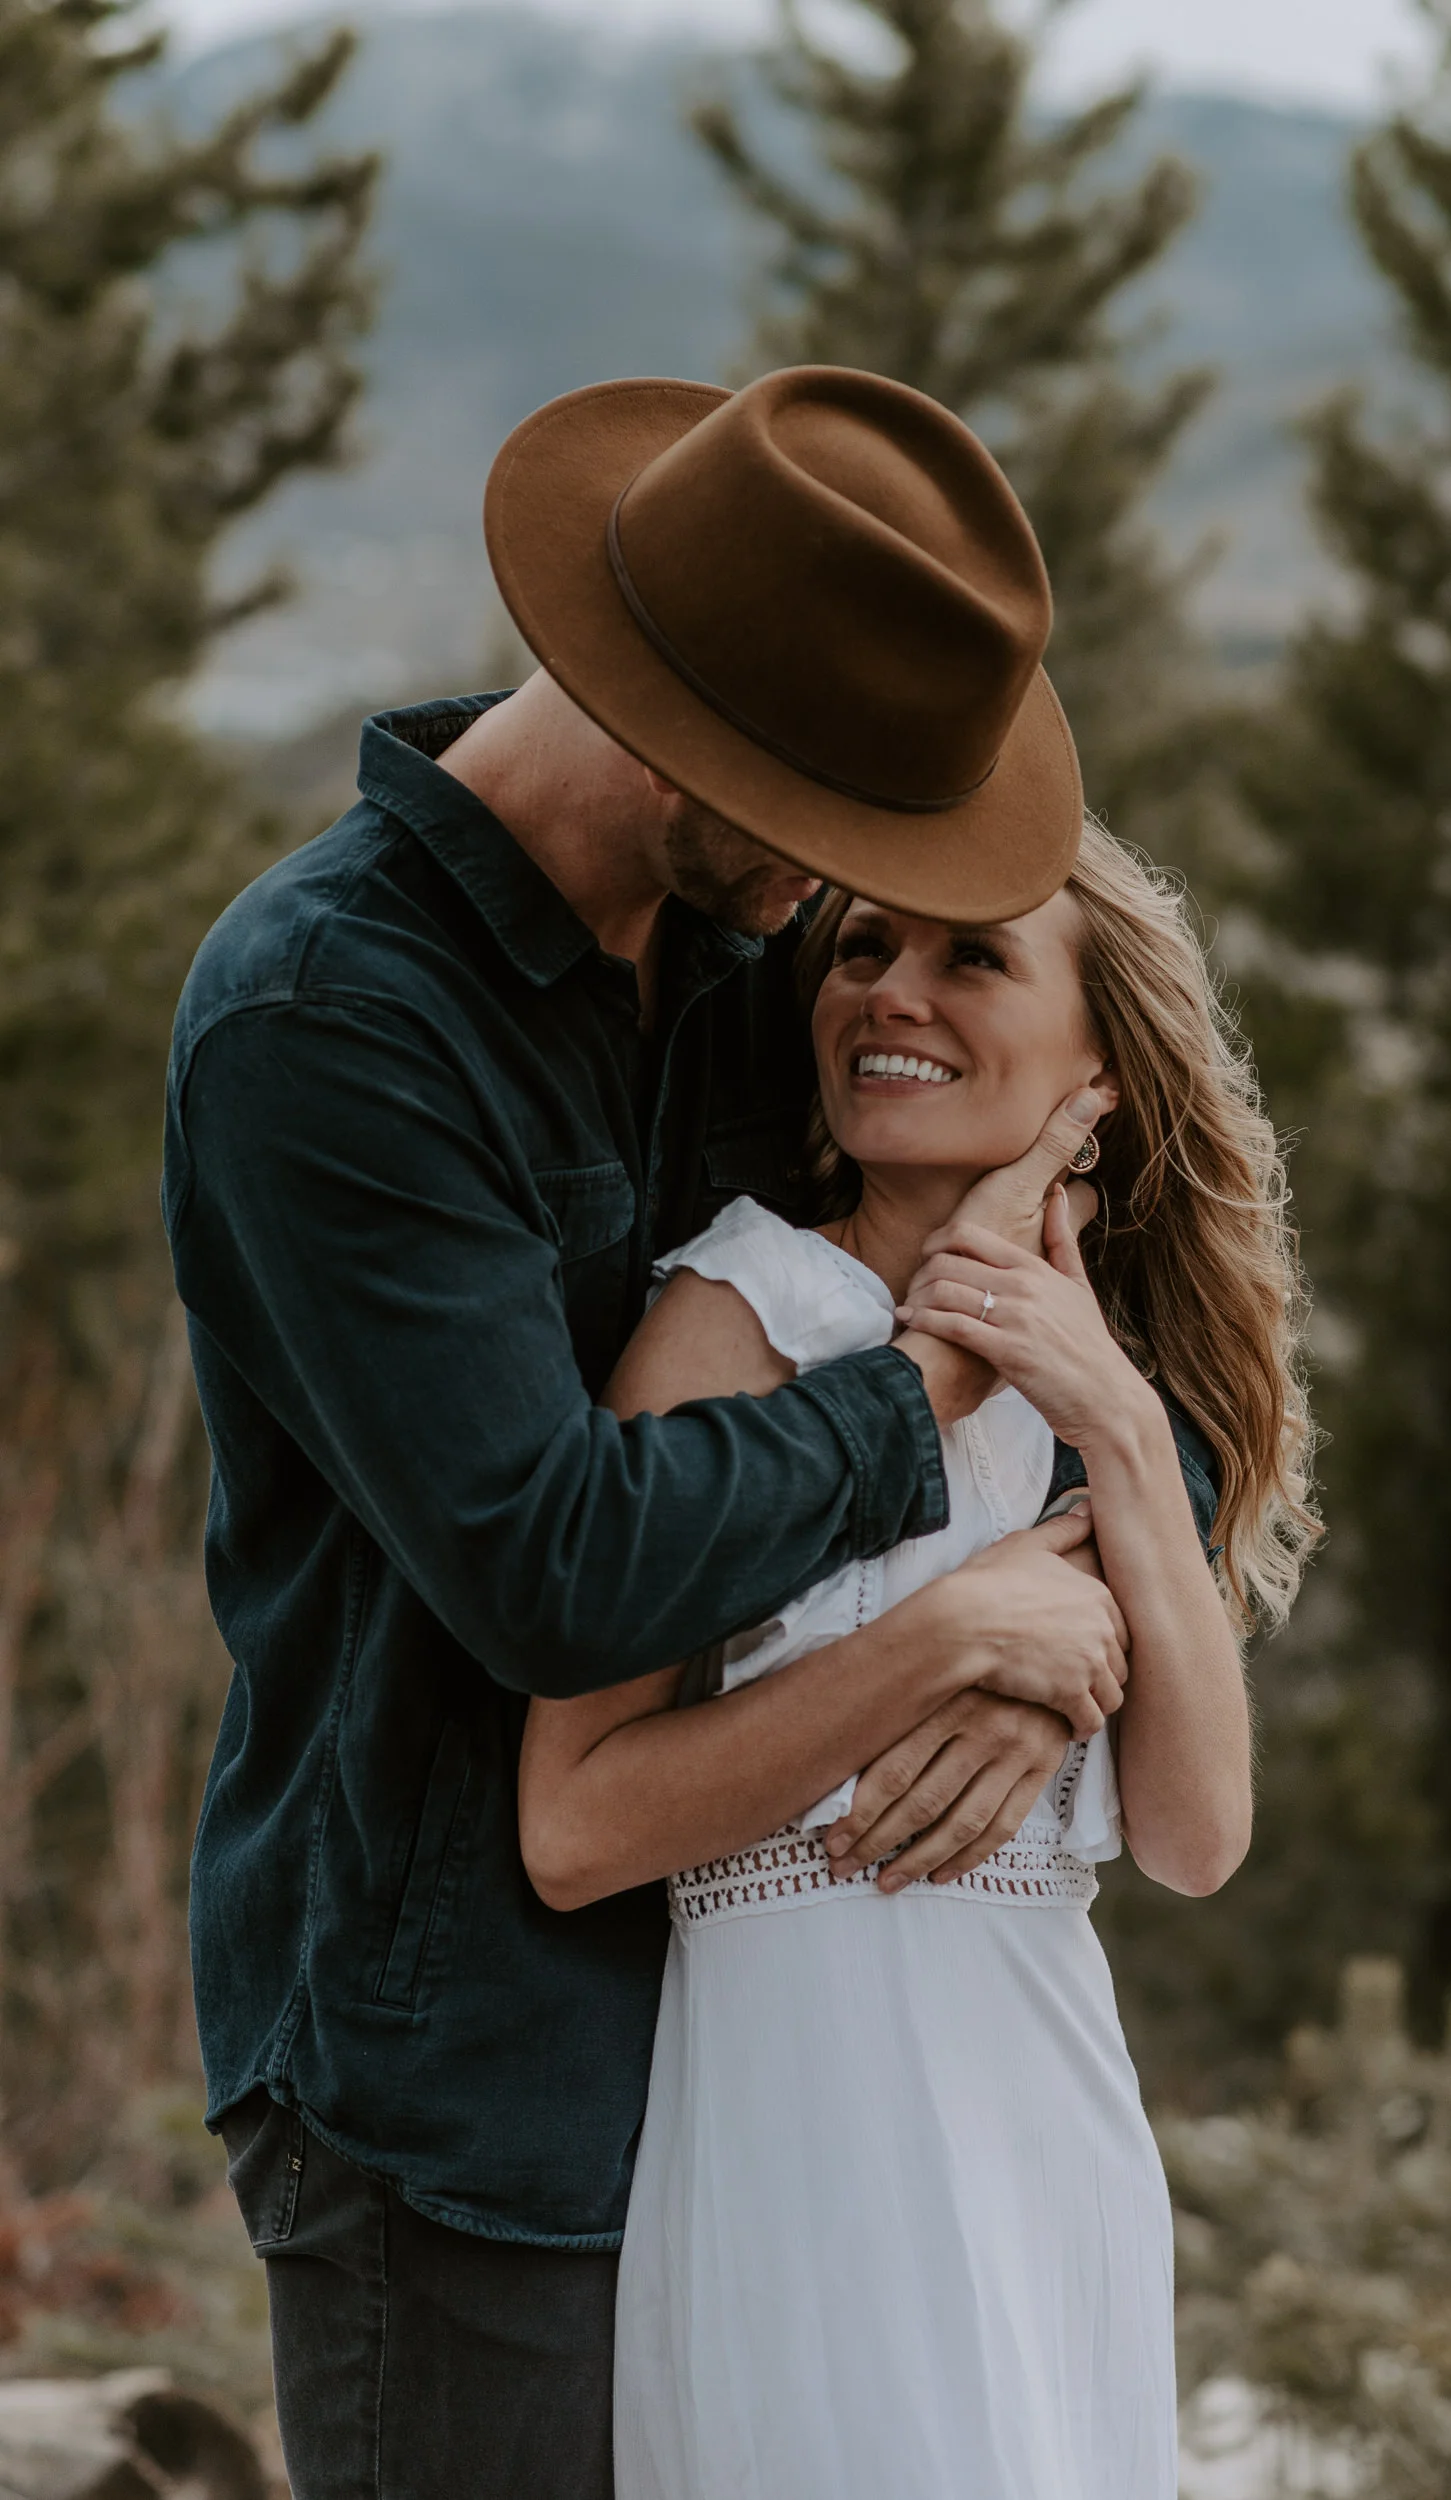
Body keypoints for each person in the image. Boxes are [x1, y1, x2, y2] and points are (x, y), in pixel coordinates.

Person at [164, 363, 1165, 2500]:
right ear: (678, 726)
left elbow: (1106, 1296)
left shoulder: (741, 967)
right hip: (463, 2088)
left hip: (790, 2079)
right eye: (834, 831)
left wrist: (1060, 1592)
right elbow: (552, 1557)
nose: (854, 902)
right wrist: (931, 1409)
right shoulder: (329, 1023)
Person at [519, 821, 1318, 2497]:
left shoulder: (1112, 1421)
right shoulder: (733, 1320)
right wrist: (948, 1639)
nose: (892, 990)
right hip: (803, 2154)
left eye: (972, 956)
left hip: (1048, 2144)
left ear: (1101, 1059)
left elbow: (1192, 1839)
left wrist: (1099, 1403)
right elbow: (574, 1827)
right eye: (865, 946)